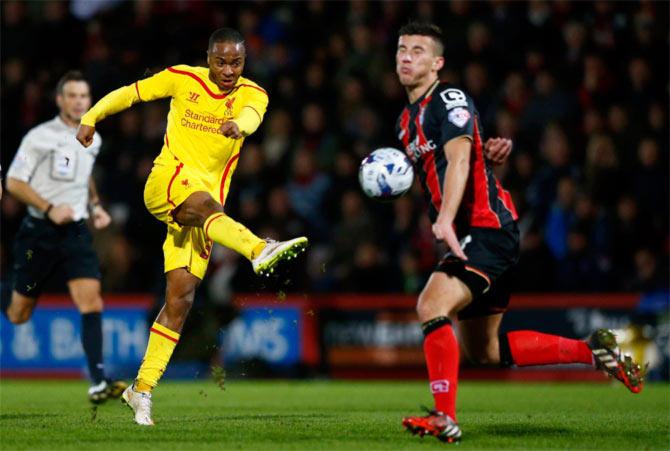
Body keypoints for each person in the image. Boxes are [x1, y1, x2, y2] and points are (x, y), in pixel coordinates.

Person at [393, 22, 645, 444]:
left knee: (431, 303)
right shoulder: (404, 122)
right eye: (402, 48)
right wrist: (485, 157)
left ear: (437, 63)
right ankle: (594, 351)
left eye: (418, 50)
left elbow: (456, 161)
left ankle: (444, 417)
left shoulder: (447, 99)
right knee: (485, 352)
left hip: (484, 228)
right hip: (477, 231)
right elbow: (457, 162)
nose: (405, 56)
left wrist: (444, 218)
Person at [76, 27, 308, 426]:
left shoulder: (254, 94)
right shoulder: (183, 78)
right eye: (221, 61)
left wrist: (242, 127)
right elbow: (132, 92)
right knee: (205, 205)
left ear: (244, 62)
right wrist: (91, 116)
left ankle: (141, 390)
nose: (228, 69)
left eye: (236, 62)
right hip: (167, 181)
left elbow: (252, 116)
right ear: (208, 57)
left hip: (208, 214)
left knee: (180, 300)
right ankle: (257, 248)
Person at [4, 71, 127, 404]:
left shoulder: (92, 138)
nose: (78, 102)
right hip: (38, 233)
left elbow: (83, 175)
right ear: (60, 100)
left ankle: (98, 380)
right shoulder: (38, 137)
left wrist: (96, 205)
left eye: (83, 96)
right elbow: (14, 182)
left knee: (92, 300)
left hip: (75, 231)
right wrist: (48, 207)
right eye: (71, 96)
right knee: (19, 314)